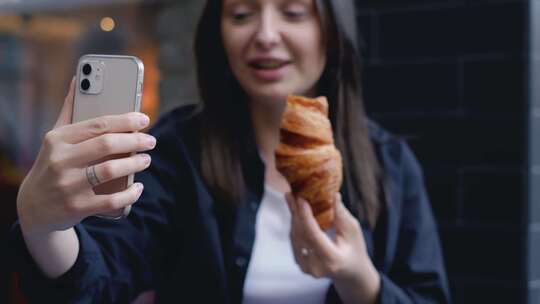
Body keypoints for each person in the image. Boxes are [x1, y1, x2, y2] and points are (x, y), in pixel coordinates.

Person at [8, 0, 451, 303]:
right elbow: (100, 281)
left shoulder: (388, 161)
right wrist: (44, 225)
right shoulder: (180, 150)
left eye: (294, 12)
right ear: (218, 32)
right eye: (241, 14)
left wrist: (360, 280)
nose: (265, 34)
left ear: (331, 31)